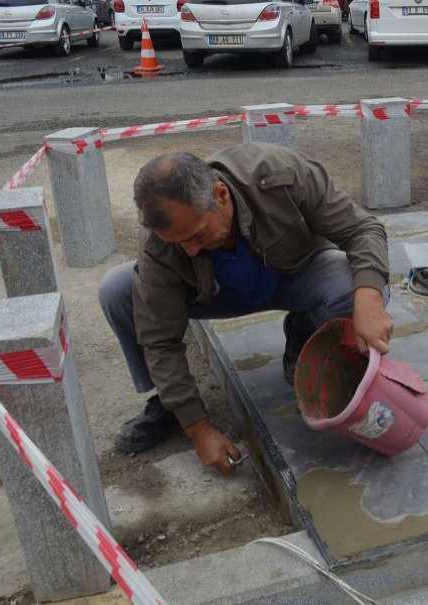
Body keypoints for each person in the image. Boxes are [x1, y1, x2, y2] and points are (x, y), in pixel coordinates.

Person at [98, 143, 392, 475]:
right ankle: (168, 406)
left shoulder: (277, 173)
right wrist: (197, 428)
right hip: (215, 297)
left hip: (292, 275)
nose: (190, 251)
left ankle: (305, 337)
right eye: (180, 243)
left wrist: (369, 299)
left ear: (221, 195)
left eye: (197, 235)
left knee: (352, 285)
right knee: (118, 290)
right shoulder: (161, 243)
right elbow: (160, 340)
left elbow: (363, 229)